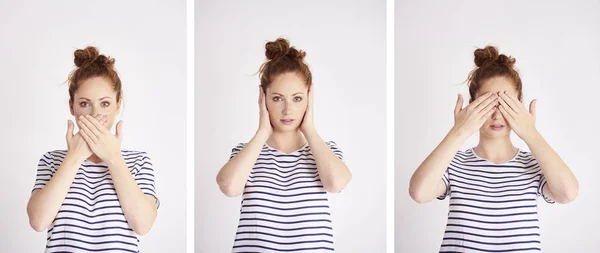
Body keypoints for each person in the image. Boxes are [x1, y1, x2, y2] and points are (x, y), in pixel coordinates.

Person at [408, 46, 579, 252]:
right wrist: (459, 131)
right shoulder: (454, 164)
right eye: (488, 103)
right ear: (472, 106)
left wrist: (530, 132)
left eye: (506, 103)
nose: (497, 115)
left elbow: (568, 194)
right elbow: (419, 192)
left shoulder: (534, 165)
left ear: (519, 106)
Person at [216, 38, 352, 252]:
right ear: (263, 98)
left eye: (297, 98)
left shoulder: (326, 151)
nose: (288, 110)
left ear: (309, 97)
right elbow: (229, 187)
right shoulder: (246, 153)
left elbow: (336, 183)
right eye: (278, 98)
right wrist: (262, 131)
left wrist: (310, 129)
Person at [26, 46, 159, 253]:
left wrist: (113, 157)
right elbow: (38, 221)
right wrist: (73, 158)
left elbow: (142, 225)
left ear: (117, 105)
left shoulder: (138, 162)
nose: (96, 113)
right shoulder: (52, 161)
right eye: (85, 104)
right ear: (72, 107)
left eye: (105, 103)